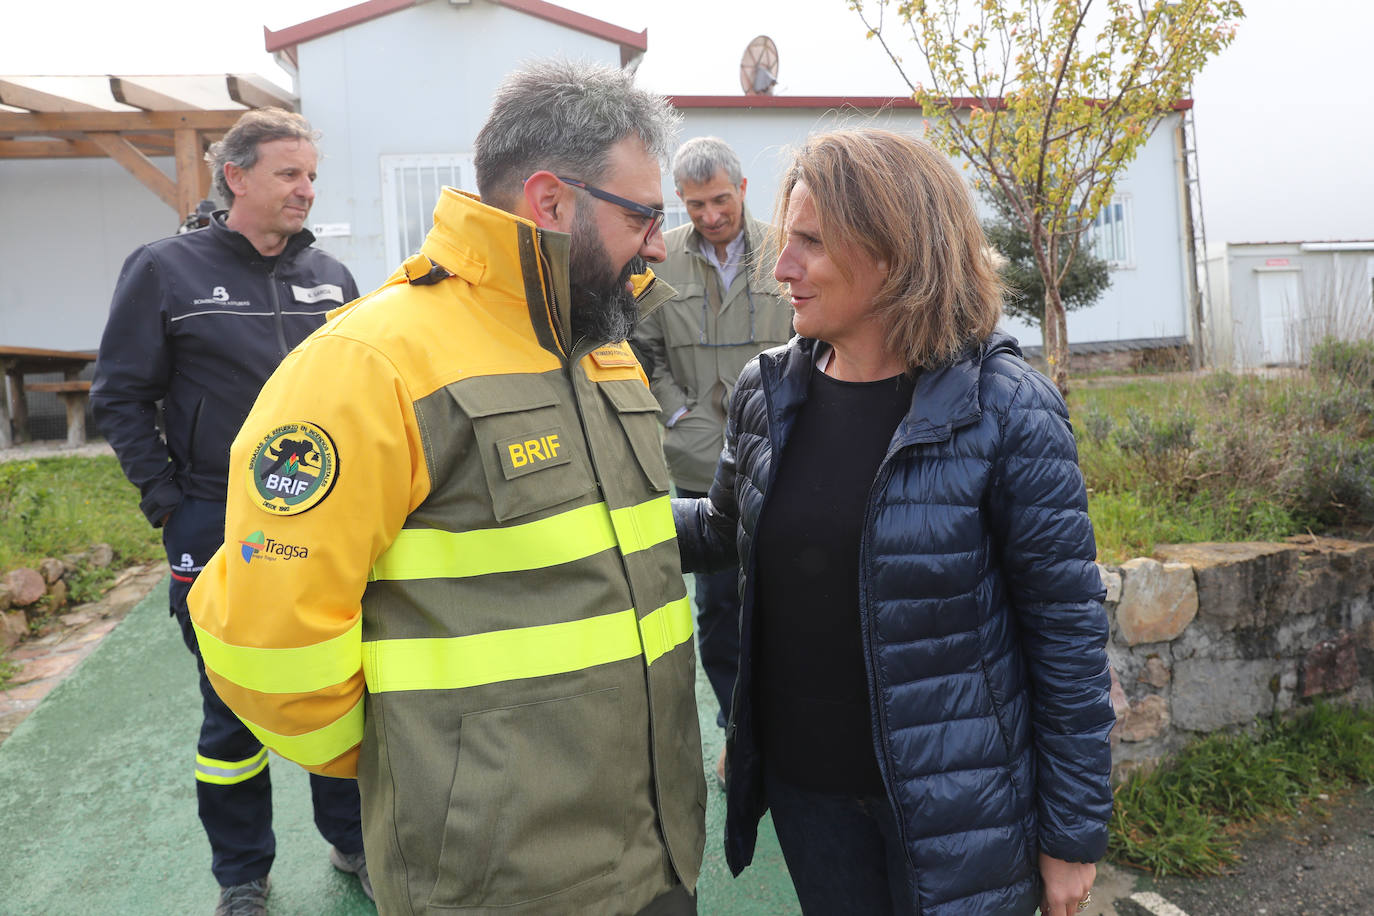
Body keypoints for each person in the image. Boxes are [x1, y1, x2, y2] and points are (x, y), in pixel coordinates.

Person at [187, 60, 706, 916]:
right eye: (645, 216)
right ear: (551, 202)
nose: (658, 243)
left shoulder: (602, 346)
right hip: (492, 877)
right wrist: (426, 767)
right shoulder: (370, 363)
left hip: (653, 851)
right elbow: (264, 643)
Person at [673, 128, 1115, 916]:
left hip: (957, 816)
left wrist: (1071, 835)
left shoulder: (1005, 409)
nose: (781, 268)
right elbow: (719, 527)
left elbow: (1067, 637)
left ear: (896, 252)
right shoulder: (767, 392)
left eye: (810, 243)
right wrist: (583, 510)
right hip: (809, 799)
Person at [90, 108, 367, 914]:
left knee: (335, 684)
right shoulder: (165, 270)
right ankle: (241, 875)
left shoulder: (335, 279)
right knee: (230, 699)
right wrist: (168, 503)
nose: (305, 189)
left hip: (323, 522)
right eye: (289, 173)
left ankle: (350, 841)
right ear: (236, 176)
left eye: (311, 174)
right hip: (214, 519)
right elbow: (120, 393)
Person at [632, 137, 792, 785]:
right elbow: (642, 349)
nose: (710, 215)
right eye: (695, 204)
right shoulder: (660, 258)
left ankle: (788, 730)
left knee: (786, 600)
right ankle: (737, 731)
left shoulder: (786, 249)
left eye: (721, 199)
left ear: (744, 188)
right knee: (720, 607)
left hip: (782, 454)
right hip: (701, 463)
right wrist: (677, 415)